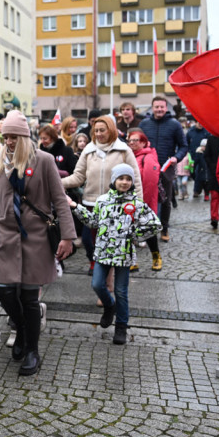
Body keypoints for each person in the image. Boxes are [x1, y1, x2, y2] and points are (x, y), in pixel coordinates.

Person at [0, 110, 76, 376]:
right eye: (6, 136)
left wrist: (68, 236)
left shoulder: (44, 161)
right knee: (4, 291)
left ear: (25, 136)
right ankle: (25, 330)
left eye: (14, 136)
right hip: (6, 236)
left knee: (29, 297)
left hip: (36, 237)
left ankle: (31, 350)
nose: (9, 142)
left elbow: (60, 200)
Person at [73, 165, 161, 345]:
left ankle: (121, 326)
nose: (125, 182)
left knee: (121, 292)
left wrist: (135, 236)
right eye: (121, 178)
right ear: (114, 180)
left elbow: (155, 225)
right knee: (97, 284)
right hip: (103, 251)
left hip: (123, 255)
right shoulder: (103, 200)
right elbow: (93, 222)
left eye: (128, 179)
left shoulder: (136, 204)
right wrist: (76, 206)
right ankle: (109, 306)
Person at [62, 115, 142, 282]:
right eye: (95, 130)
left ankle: (108, 283)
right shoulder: (89, 150)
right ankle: (98, 271)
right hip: (91, 204)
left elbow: (135, 178)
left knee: (110, 245)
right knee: (89, 241)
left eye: (102, 130)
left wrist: (138, 205)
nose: (98, 134)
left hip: (116, 206)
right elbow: (78, 177)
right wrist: (57, 183)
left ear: (111, 130)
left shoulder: (123, 150)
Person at [139, 96, 188, 242]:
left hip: (166, 168)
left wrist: (176, 158)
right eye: (156, 107)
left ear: (166, 108)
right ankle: (146, 227)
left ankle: (164, 228)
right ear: (152, 108)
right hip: (147, 167)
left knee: (165, 200)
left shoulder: (174, 124)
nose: (159, 109)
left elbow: (184, 146)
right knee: (146, 198)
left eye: (162, 107)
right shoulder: (144, 124)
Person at [126, 129, 163, 272]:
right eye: (130, 140)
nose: (132, 143)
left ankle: (156, 257)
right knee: (129, 231)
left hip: (142, 202)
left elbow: (149, 184)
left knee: (148, 231)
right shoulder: (131, 156)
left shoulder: (147, 157)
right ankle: (132, 261)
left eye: (135, 140)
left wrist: (143, 205)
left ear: (143, 142)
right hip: (130, 201)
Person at [203, 134, 219, 229]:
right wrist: (213, 167)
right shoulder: (212, 138)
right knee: (215, 196)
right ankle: (214, 218)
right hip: (215, 171)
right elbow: (207, 155)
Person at [186, 121, 210, 198]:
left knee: (199, 173)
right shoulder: (190, 132)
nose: (200, 124)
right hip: (192, 157)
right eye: (198, 122)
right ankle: (199, 188)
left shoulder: (206, 132)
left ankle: (197, 190)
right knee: (193, 174)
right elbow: (186, 143)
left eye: (201, 122)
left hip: (203, 156)